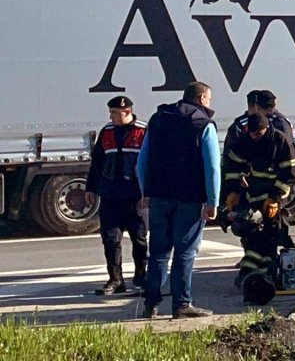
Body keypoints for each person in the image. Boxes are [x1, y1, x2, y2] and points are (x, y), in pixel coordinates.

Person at [136, 82, 220, 319]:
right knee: (185, 252)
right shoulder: (203, 124)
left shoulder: (158, 119)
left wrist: (144, 191)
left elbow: (142, 159)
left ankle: (151, 304)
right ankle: (182, 304)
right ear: (202, 98)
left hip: (159, 196)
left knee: (158, 252)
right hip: (190, 198)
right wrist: (213, 201)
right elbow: (212, 166)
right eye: (209, 99)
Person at [223, 113, 295, 290]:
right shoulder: (244, 141)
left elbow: (288, 173)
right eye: (252, 134)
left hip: (272, 197)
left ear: (266, 129)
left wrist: (274, 198)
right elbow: (232, 167)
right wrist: (232, 192)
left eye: (258, 134)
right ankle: (258, 274)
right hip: (253, 195)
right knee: (253, 233)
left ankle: (259, 274)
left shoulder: (279, 141)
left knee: (269, 236)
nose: (255, 137)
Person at [85, 95, 148, 295]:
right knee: (110, 238)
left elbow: (153, 164)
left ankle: (141, 275)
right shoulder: (107, 132)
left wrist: (149, 192)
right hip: (111, 194)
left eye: (114, 113)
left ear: (127, 111)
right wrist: (91, 188)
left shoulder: (143, 131)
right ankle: (115, 279)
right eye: (110, 112)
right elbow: (97, 162)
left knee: (139, 238)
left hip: (135, 195)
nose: (111, 116)